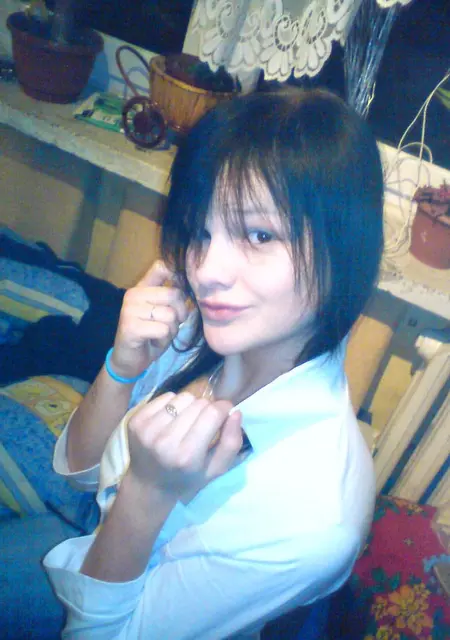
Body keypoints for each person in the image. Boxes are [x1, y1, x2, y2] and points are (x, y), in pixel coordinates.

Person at [43, 88, 384, 638]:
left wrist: (148, 493)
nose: (205, 272)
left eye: (259, 234)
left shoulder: (309, 519)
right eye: (202, 230)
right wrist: (122, 367)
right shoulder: (212, 330)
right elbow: (78, 476)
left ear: (345, 248)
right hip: (82, 534)